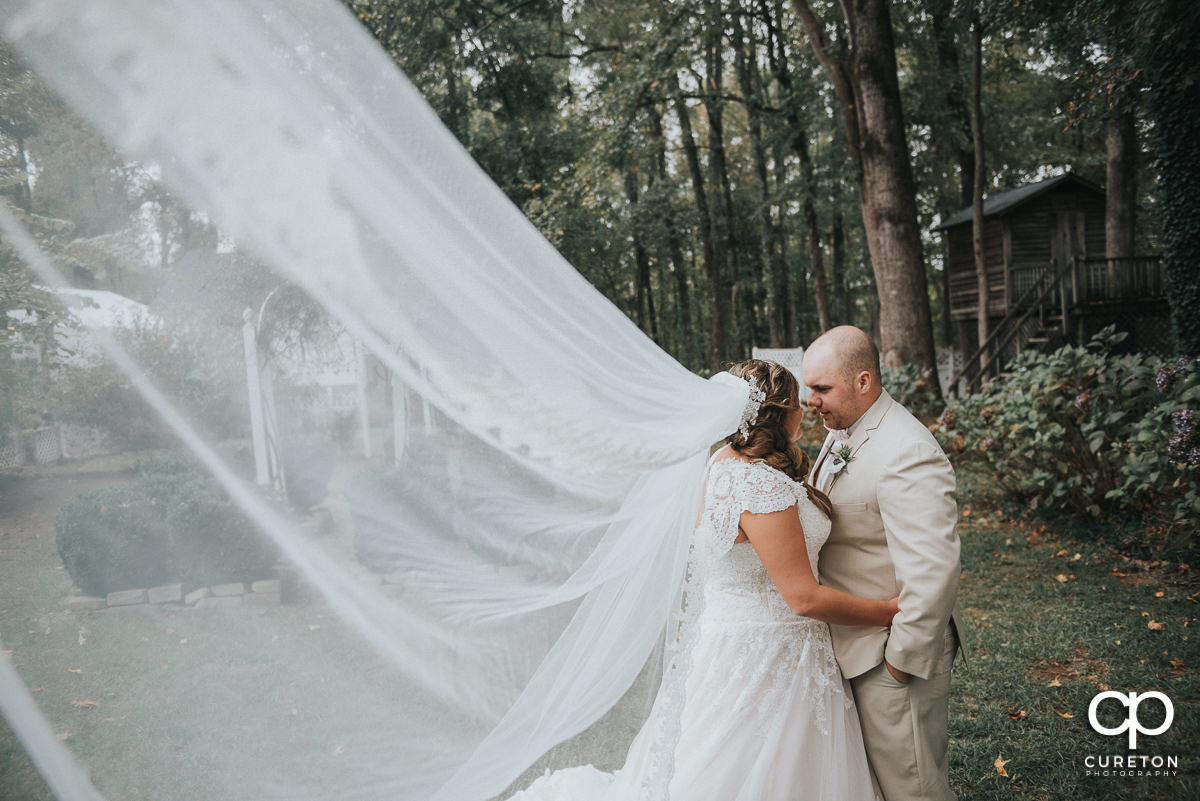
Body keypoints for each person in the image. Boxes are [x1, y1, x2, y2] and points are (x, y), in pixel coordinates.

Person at [508, 359, 895, 801]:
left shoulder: (721, 464)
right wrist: (887, 611)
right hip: (772, 657)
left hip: (726, 641)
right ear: (781, 412)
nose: (805, 407)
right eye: (797, 401)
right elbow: (803, 598)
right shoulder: (758, 484)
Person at [803, 326, 968, 801]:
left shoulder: (906, 450)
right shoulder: (843, 430)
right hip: (855, 647)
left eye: (821, 388)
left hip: (889, 656)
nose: (810, 400)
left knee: (912, 786)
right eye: (808, 387)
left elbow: (933, 571)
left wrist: (899, 663)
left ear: (863, 381)